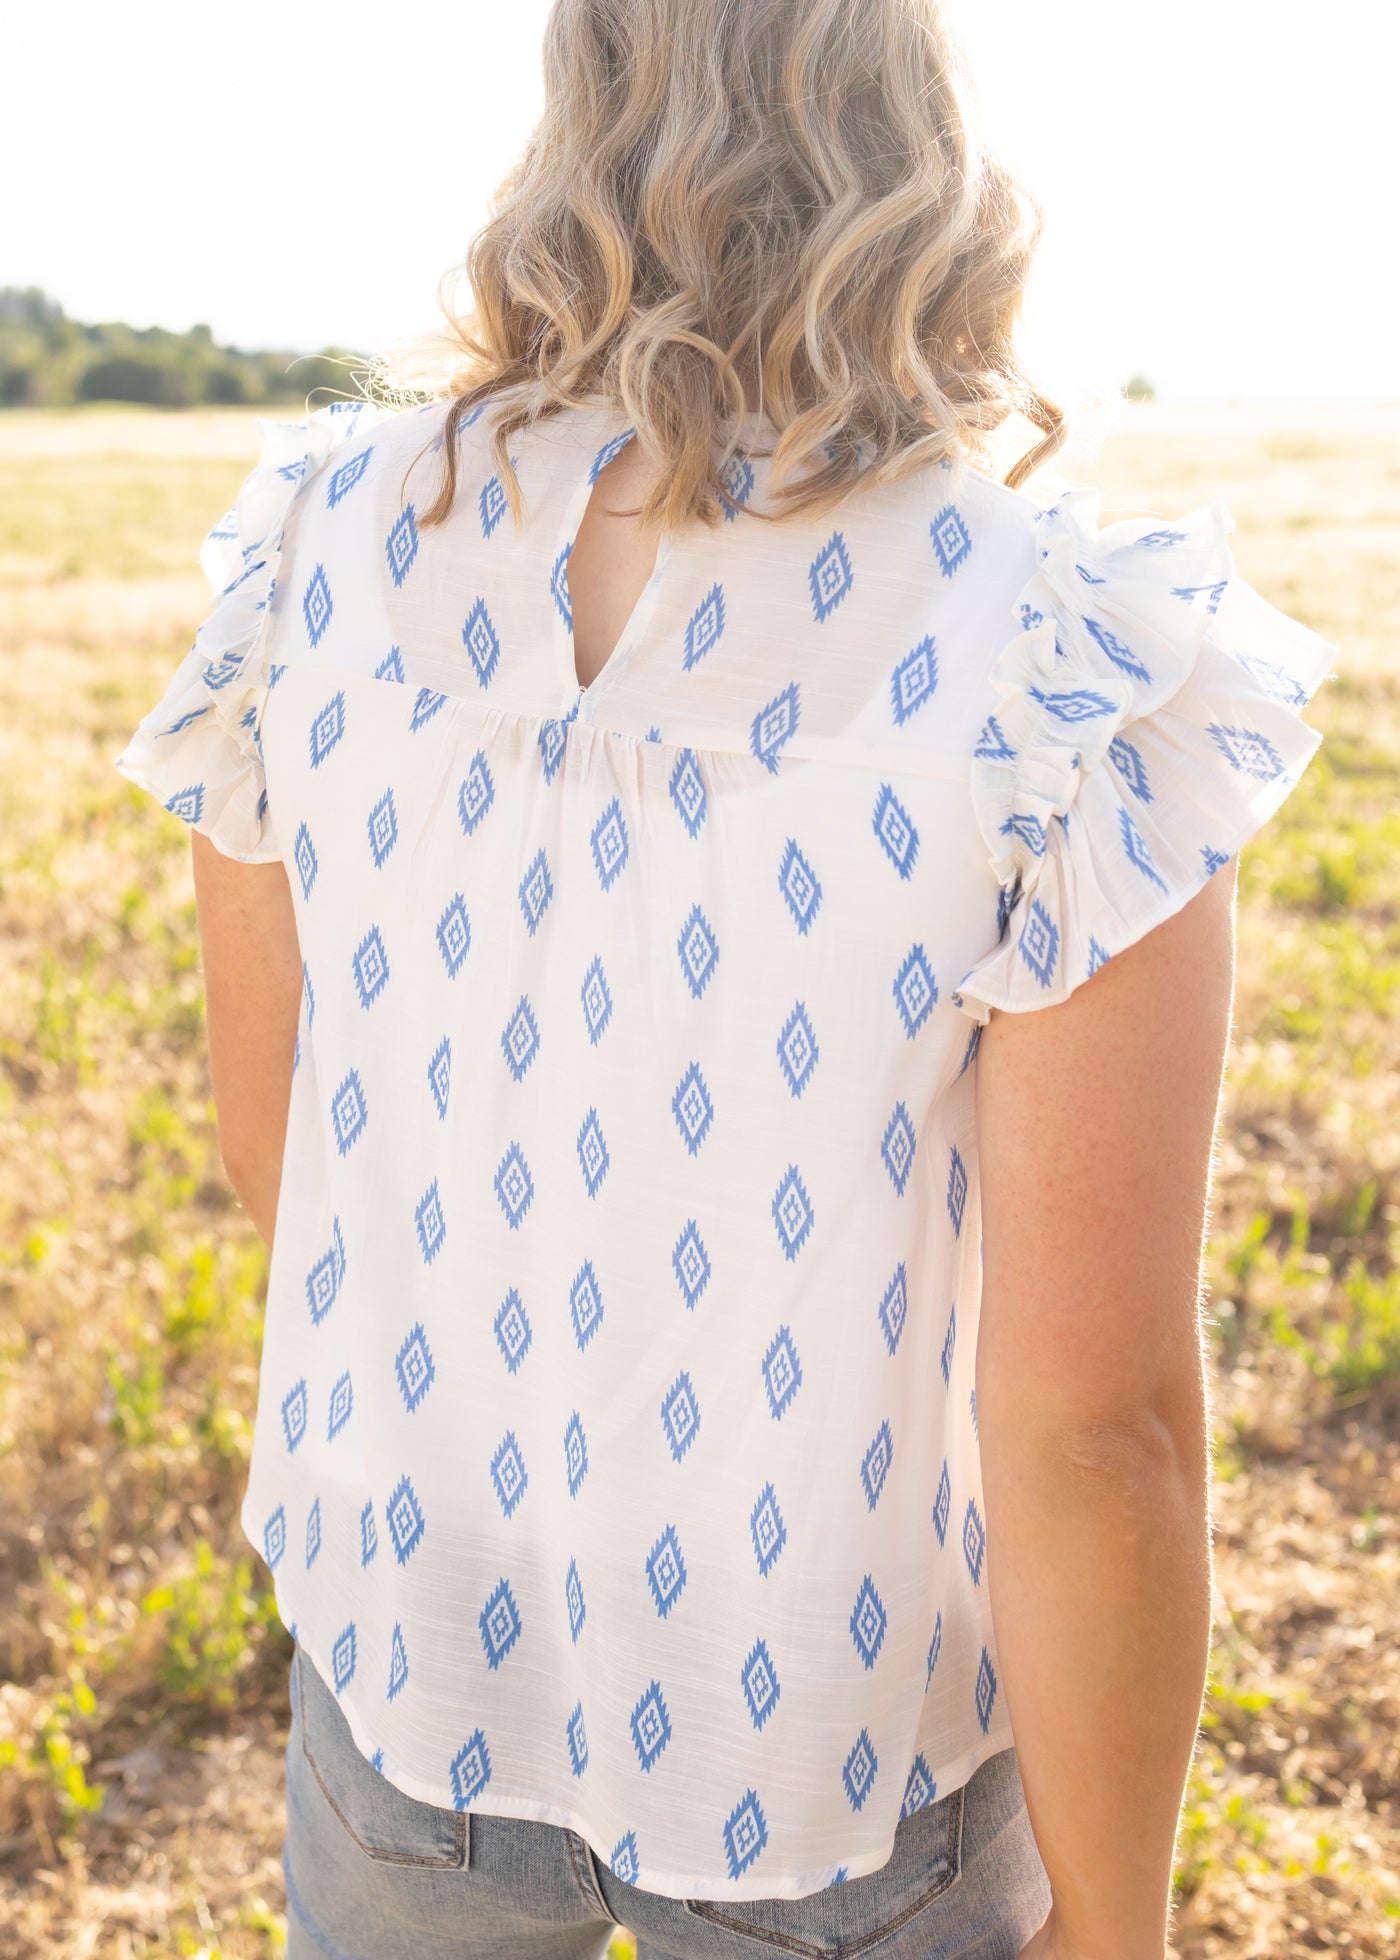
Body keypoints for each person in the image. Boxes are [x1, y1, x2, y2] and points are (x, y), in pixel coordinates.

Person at [112, 2, 1332, 1955]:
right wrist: (1118, 1923)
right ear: (922, 132)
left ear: (577, 100)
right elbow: (1094, 1420)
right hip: (837, 1740)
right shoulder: (1044, 644)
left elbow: (295, 1173)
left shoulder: (318, 552)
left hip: (411, 1647)